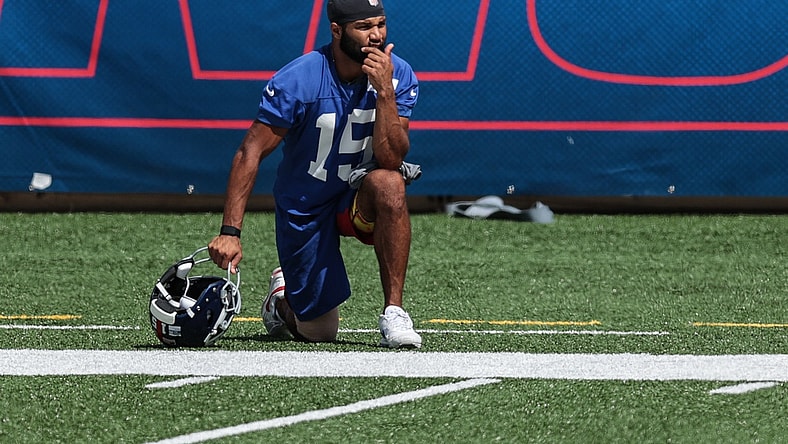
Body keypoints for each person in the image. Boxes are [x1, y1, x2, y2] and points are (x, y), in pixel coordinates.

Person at [208, 0, 422, 348]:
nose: (376, 35)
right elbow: (250, 152)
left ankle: (394, 311)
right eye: (364, 26)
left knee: (390, 181)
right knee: (320, 332)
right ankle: (281, 301)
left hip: (356, 196)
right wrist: (230, 232)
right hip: (306, 204)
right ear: (337, 31)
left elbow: (391, 156)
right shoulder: (299, 79)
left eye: (380, 24)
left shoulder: (397, 74)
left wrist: (384, 91)